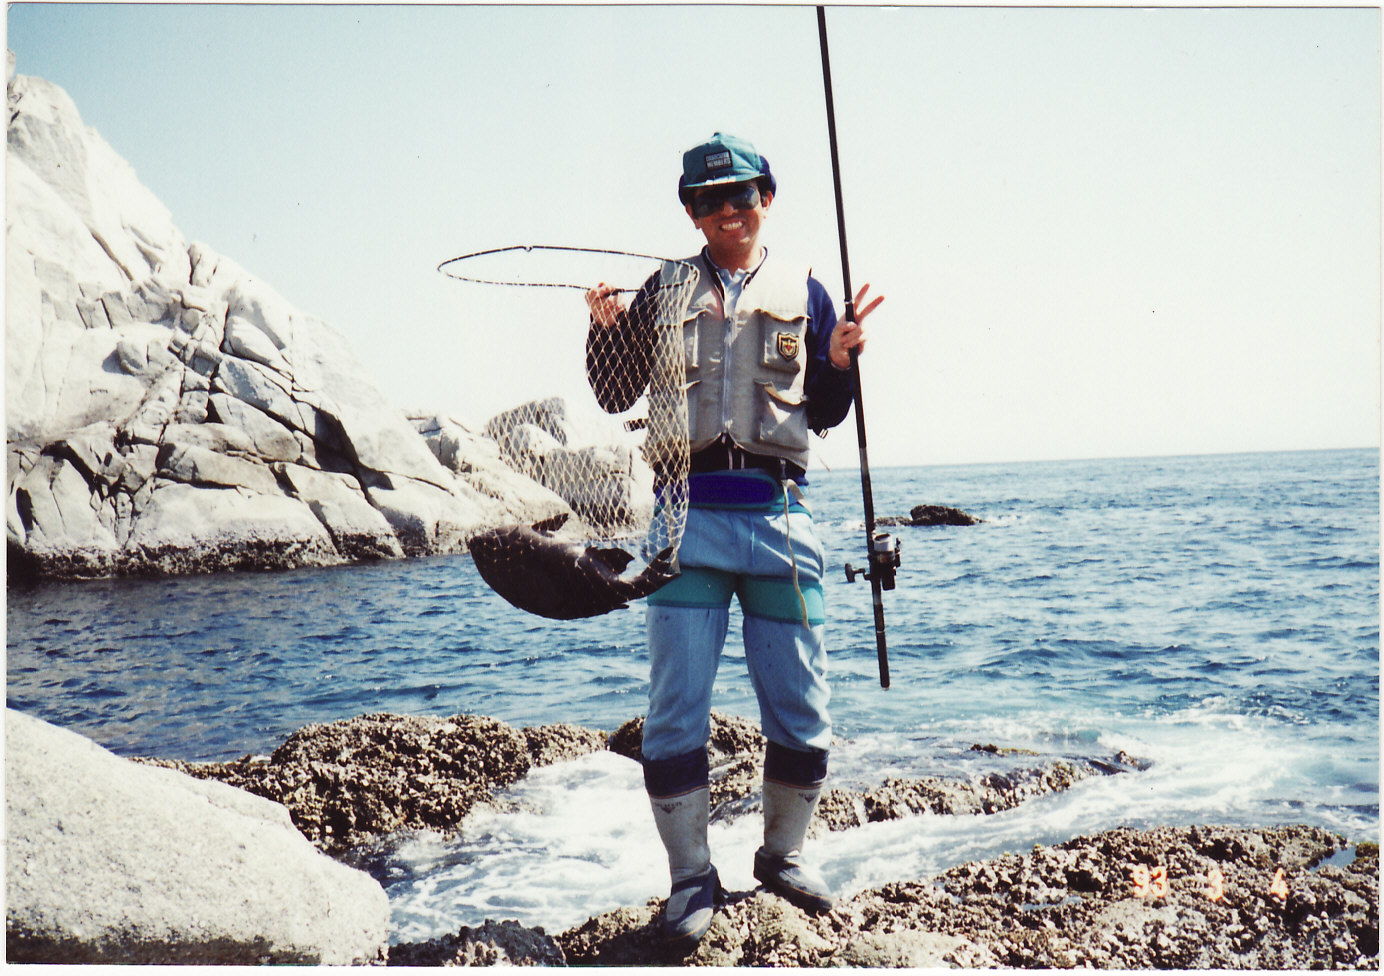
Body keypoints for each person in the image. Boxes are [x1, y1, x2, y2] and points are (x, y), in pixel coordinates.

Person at [584, 132, 883, 951]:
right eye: (708, 200)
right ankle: (690, 880)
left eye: (741, 196)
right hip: (685, 521)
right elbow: (614, 394)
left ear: (767, 199)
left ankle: (783, 857)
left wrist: (840, 360)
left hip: (782, 519)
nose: (727, 212)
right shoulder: (663, 287)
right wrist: (606, 332)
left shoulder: (808, 291)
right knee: (676, 710)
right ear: (689, 210)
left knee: (800, 700)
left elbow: (821, 411)